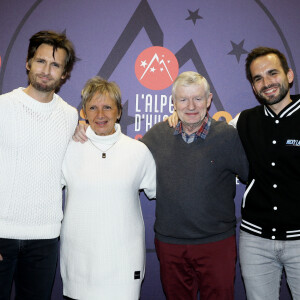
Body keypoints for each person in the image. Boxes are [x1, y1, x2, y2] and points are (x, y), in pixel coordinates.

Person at [73, 71, 248, 300]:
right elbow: (121, 154)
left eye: (197, 98)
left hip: (216, 243)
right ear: (173, 103)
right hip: (170, 244)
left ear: (209, 100)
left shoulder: (227, 136)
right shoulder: (157, 134)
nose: (191, 106)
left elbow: (251, 176)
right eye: (183, 99)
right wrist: (85, 130)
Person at [60, 76, 156, 300]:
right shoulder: (68, 148)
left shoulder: (138, 151)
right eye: (92, 108)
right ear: (83, 112)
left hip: (124, 263)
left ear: (119, 111)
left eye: (107, 107)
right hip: (79, 263)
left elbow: (161, 192)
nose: (100, 115)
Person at [0, 30, 78, 300]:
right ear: (28, 63)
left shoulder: (70, 116)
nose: (47, 70)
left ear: (64, 73)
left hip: (45, 238)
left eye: (55, 65)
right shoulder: (3, 107)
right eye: (41, 61)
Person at [231, 47, 300, 300]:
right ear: (252, 86)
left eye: (273, 73)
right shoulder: (243, 120)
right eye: (257, 78)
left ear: (289, 75)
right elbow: (207, 136)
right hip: (255, 241)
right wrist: (179, 117)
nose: (266, 83)